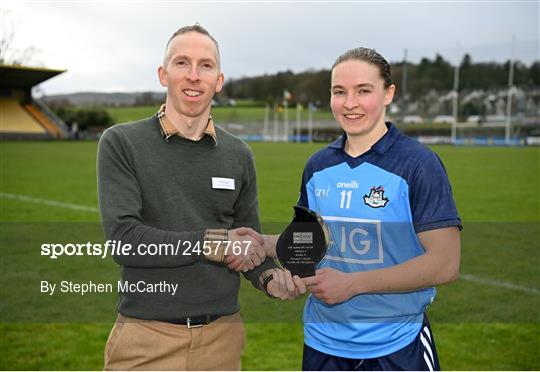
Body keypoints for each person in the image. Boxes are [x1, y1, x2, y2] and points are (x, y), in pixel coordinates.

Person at [97, 24, 305, 371]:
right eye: (182, 63)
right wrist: (216, 244)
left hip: (222, 340)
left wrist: (270, 279)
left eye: (205, 65)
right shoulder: (121, 142)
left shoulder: (239, 154)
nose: (194, 75)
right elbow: (125, 241)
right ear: (163, 75)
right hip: (147, 339)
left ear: (218, 81)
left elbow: (247, 238)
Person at [244, 47, 461, 370]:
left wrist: (353, 284)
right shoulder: (318, 166)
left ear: (388, 94)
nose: (349, 103)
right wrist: (264, 243)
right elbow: (312, 238)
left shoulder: (418, 164)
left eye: (363, 91)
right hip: (323, 344)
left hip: (396, 345)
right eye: (339, 92)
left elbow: (445, 264)